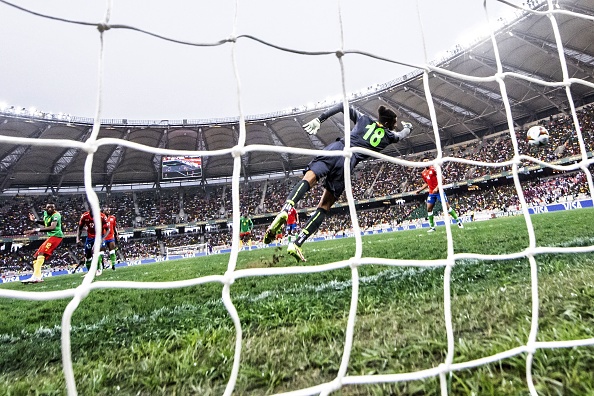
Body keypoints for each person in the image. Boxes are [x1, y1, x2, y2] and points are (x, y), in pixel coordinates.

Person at [263, 103, 413, 262]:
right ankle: (297, 243)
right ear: (389, 124)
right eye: (394, 123)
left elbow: (343, 105)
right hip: (348, 162)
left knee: (308, 178)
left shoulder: (364, 119)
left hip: (336, 149)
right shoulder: (389, 136)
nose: (395, 126)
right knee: (324, 206)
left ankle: (286, 208)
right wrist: (408, 128)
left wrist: (320, 119)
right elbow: (401, 135)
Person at [414, 159, 464, 232]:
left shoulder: (434, 169)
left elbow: (442, 178)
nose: (426, 163)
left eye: (427, 162)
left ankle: (458, 221)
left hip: (439, 191)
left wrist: (437, 188)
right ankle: (432, 227)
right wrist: (419, 190)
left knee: (447, 207)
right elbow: (426, 183)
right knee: (429, 208)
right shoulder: (423, 173)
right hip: (431, 193)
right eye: (424, 162)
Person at [21, 202, 64, 283]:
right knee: (35, 256)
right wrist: (35, 220)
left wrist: (35, 230)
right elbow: (46, 223)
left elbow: (52, 227)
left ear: (54, 208)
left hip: (56, 236)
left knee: (41, 253)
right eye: (49, 207)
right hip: (51, 237)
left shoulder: (56, 215)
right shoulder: (45, 214)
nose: (50, 209)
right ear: (46, 208)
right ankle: (38, 276)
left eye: (52, 208)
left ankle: (36, 277)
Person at [76, 208, 110, 276]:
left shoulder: (102, 216)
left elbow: (108, 229)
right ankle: (90, 272)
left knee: (95, 252)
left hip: (98, 237)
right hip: (89, 238)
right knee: (88, 256)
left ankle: (98, 269)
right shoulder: (84, 216)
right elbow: (80, 228)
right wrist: (77, 239)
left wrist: (103, 238)